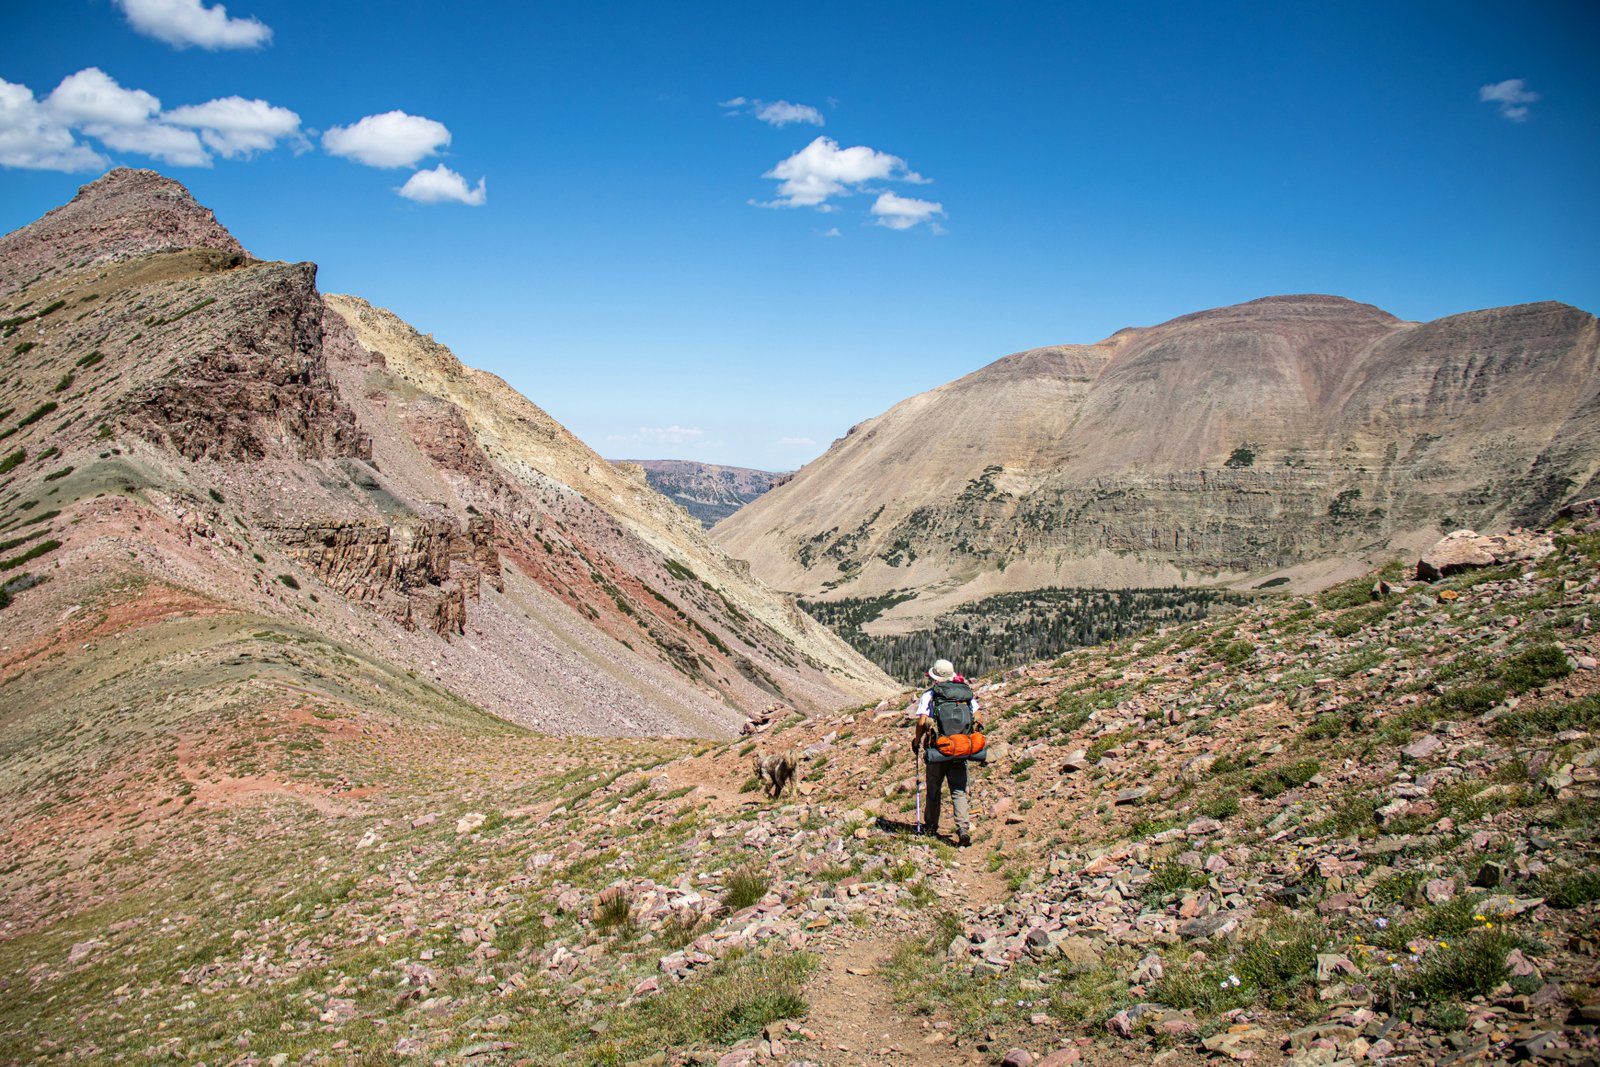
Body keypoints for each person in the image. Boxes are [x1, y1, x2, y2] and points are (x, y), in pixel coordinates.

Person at [911, 658, 978, 847]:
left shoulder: (931, 695)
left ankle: (931, 826)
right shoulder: (965, 694)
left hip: (938, 749)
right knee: (958, 790)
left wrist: (917, 741)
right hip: (960, 748)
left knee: (934, 789)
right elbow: (977, 716)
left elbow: (922, 722)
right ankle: (963, 829)